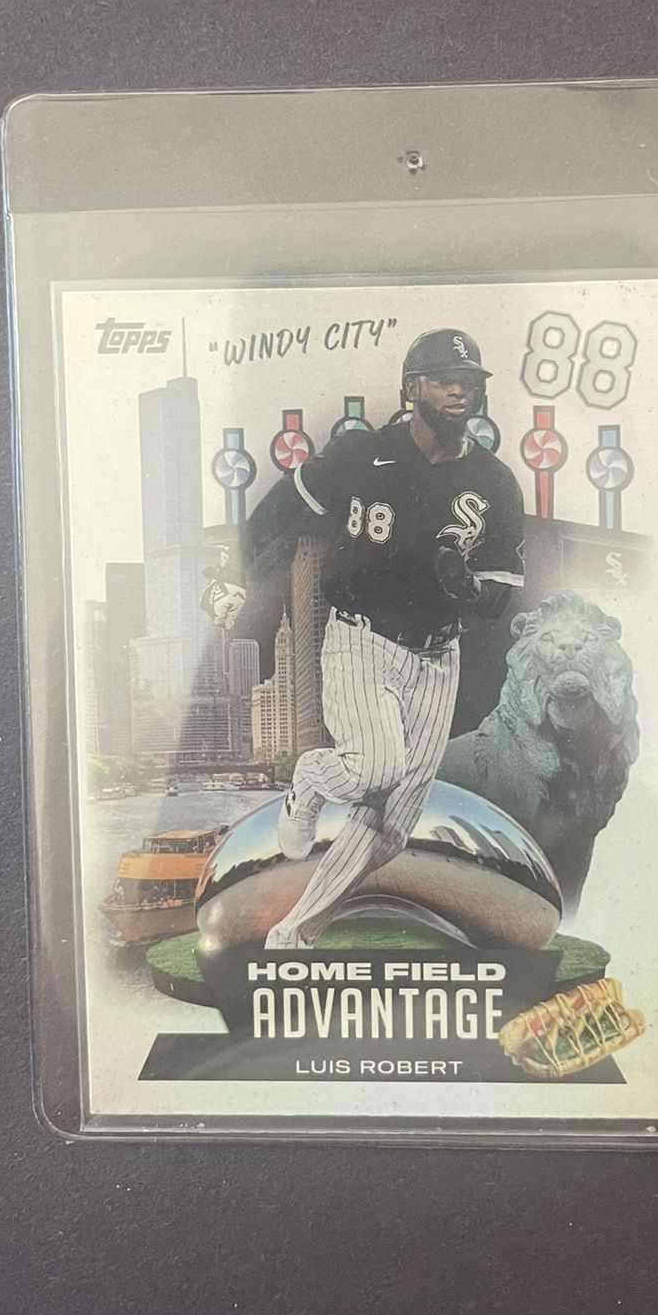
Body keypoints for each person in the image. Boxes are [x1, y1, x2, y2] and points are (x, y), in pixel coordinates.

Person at [204, 328, 525, 948]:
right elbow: (279, 508)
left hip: (439, 656)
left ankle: (293, 935)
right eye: (444, 379)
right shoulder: (363, 454)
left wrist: (468, 588)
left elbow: (501, 592)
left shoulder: (494, 481)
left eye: (469, 381)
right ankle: (309, 779)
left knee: (391, 830)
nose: (459, 391)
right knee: (375, 768)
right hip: (361, 638)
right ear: (412, 389)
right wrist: (238, 581)